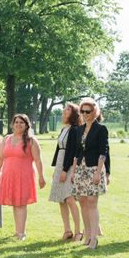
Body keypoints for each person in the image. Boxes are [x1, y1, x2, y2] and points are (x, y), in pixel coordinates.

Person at [0, 114, 46, 241]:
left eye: (21, 122)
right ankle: (17, 231)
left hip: (24, 176)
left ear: (26, 125)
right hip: (8, 175)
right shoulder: (6, 139)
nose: (18, 124)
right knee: (14, 203)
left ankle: (22, 233)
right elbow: (0, 158)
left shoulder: (31, 141)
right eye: (16, 122)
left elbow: (38, 160)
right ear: (12, 124)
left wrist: (41, 177)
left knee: (21, 204)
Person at [70, 98, 108, 250]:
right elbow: (76, 152)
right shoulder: (79, 129)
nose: (85, 114)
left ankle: (94, 238)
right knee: (83, 202)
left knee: (92, 202)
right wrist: (74, 171)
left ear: (95, 112)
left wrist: (98, 172)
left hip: (94, 168)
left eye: (88, 111)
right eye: (83, 111)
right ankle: (87, 235)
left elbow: (103, 152)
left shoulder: (101, 129)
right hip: (80, 169)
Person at [49, 103, 83, 241]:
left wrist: (64, 169)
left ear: (74, 113)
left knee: (69, 198)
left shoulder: (75, 130)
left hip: (68, 165)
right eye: (64, 109)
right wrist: (56, 169)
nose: (64, 111)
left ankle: (78, 231)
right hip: (60, 165)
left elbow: (72, 152)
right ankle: (67, 230)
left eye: (68, 109)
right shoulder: (64, 129)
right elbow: (59, 150)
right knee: (61, 200)